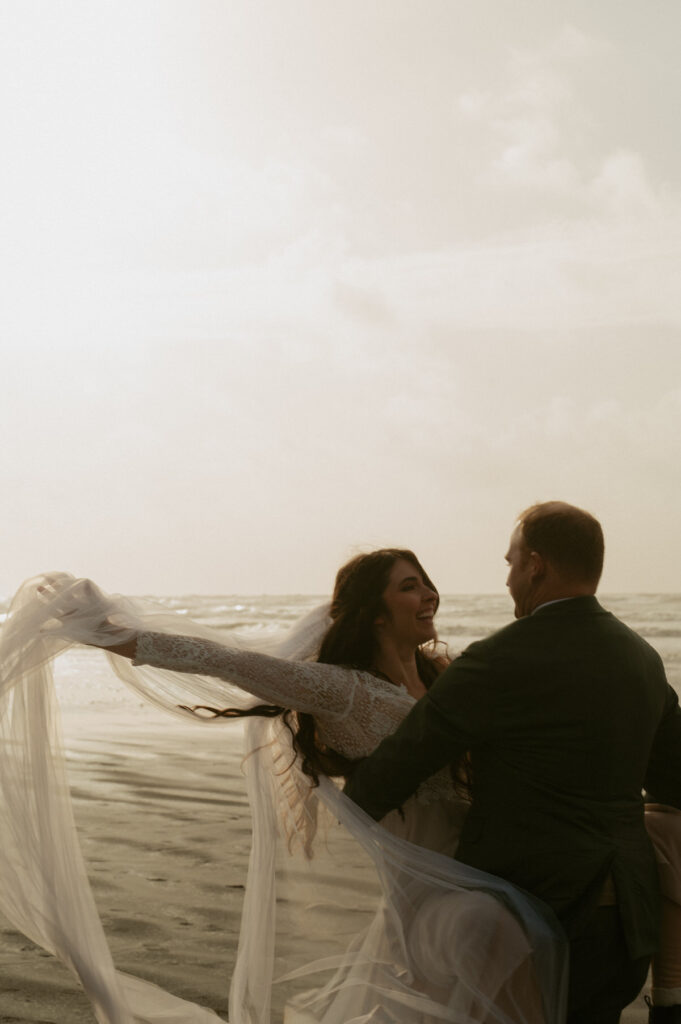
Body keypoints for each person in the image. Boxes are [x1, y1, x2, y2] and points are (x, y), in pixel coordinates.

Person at [0, 551, 568, 1023]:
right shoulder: (344, 691)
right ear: (374, 612)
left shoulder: (450, 680)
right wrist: (112, 635)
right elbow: (229, 661)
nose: (430, 595)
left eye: (427, 583)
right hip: (431, 905)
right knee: (492, 928)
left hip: (487, 874)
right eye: (410, 586)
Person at [344, 502, 681, 1024]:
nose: (506, 579)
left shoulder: (497, 660)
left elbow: (387, 777)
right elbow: (674, 783)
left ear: (536, 566)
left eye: (510, 562)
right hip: (629, 920)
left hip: (533, 918)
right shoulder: (642, 658)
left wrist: (336, 749)